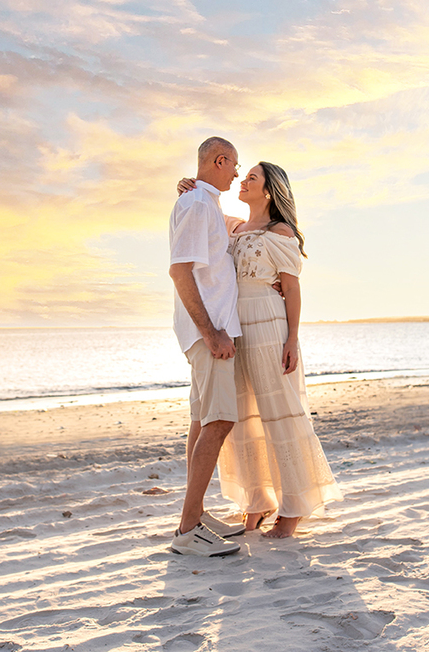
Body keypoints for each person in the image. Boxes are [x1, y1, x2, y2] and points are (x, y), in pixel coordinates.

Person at [179, 162, 341, 539]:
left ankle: (293, 510)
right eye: (244, 174)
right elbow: (205, 210)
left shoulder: (279, 231)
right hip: (235, 327)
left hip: (269, 323)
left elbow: (292, 288)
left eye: (252, 177)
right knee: (243, 419)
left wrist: (292, 339)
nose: (243, 180)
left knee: (279, 413)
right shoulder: (234, 226)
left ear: (269, 190)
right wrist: (187, 186)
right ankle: (257, 500)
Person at [167, 137, 249, 557]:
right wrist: (211, 332)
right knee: (218, 422)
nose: (238, 173)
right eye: (235, 165)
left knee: (202, 421)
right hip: (209, 331)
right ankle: (187, 531)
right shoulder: (199, 204)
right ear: (220, 160)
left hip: (209, 329)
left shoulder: (204, 203)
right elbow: (180, 272)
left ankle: (195, 515)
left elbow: (237, 228)